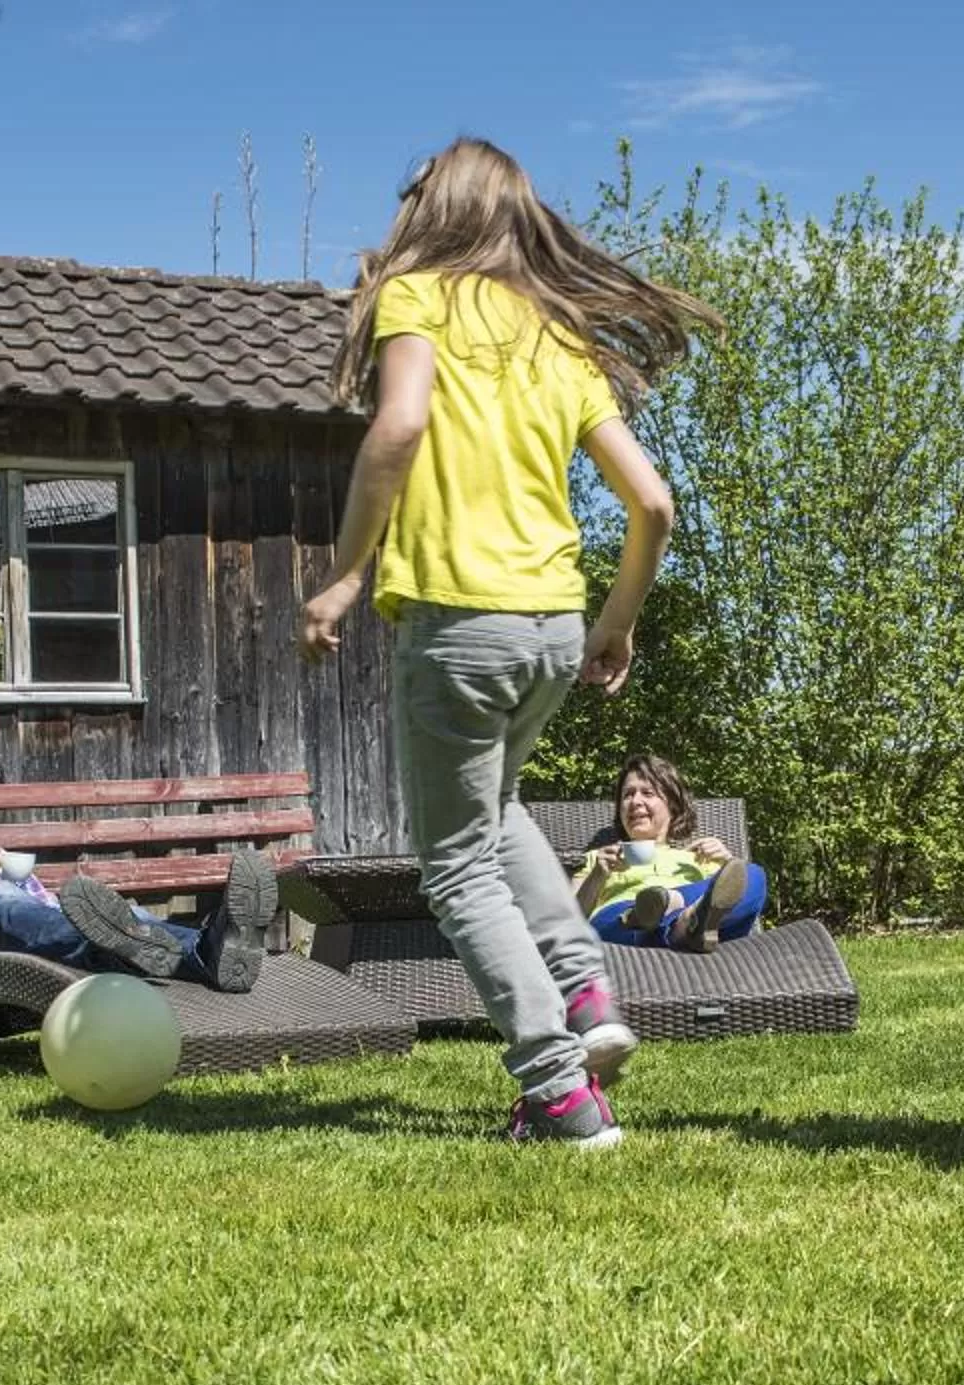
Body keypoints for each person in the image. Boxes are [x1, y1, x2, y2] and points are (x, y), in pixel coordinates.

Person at [298, 137, 718, 1147]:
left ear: (435, 204)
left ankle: (556, 1086)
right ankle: (585, 999)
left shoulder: (417, 299)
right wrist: (615, 624)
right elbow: (653, 501)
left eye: (411, 188)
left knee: (452, 867)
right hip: (550, 626)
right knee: (497, 816)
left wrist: (345, 575)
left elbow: (396, 430)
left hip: (459, 621)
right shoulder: (553, 336)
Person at [0, 727, 277, 996]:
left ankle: (207, 951)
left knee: (124, 914)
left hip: (16, 962)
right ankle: (119, 948)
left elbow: (44, 915)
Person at [568, 753, 766, 952]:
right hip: (622, 927)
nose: (635, 801)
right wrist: (598, 874)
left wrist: (728, 861)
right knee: (628, 918)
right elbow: (567, 919)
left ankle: (683, 918)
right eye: (627, 795)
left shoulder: (700, 858)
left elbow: (736, 893)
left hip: (703, 933)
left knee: (754, 874)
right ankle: (682, 924)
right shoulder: (600, 859)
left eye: (647, 793)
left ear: (671, 805)